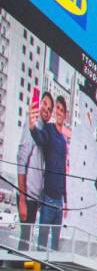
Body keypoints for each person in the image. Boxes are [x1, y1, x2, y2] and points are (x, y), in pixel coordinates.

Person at [17, 93, 51, 250]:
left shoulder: (44, 130)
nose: (46, 109)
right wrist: (22, 201)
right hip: (27, 197)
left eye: (49, 108)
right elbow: (21, 160)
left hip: (35, 199)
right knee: (24, 243)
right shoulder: (33, 124)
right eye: (44, 103)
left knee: (27, 242)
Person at [34, 95, 69, 250]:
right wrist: (31, 127)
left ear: (66, 114)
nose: (60, 113)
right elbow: (40, 139)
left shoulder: (63, 140)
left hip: (59, 202)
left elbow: (63, 171)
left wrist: (65, 200)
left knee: (55, 245)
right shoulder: (49, 129)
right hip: (47, 198)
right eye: (58, 109)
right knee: (42, 243)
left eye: (62, 110)